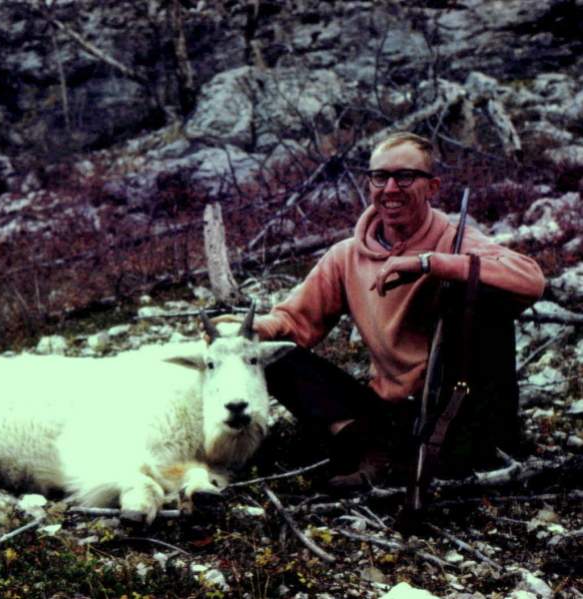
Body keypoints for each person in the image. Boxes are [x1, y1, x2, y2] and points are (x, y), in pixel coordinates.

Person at [231, 132, 546, 489]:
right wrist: (250, 328)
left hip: (457, 405)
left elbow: (531, 279)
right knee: (276, 357)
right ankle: (369, 447)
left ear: (432, 187)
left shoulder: (454, 238)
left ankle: (446, 451)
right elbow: (295, 321)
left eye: (405, 176)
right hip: (388, 410)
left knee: (479, 294)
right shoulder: (346, 256)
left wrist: (429, 264)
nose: (391, 188)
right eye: (380, 177)